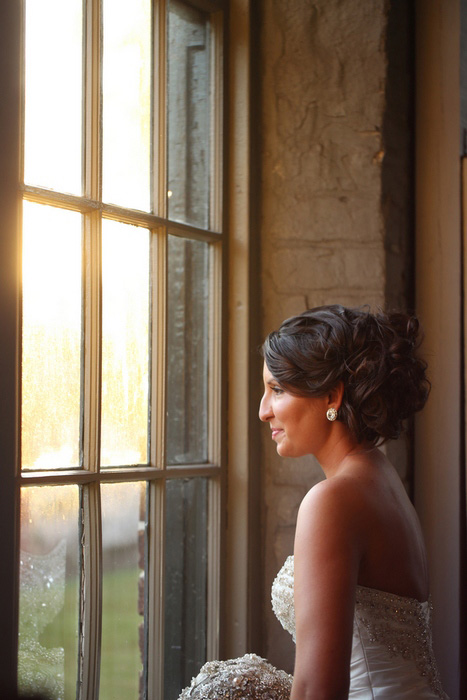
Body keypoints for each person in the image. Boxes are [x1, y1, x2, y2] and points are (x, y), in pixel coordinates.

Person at [179, 305, 449, 699]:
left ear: (331, 395)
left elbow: (318, 691)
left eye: (277, 389)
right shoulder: (379, 475)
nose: (262, 410)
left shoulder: (333, 501)